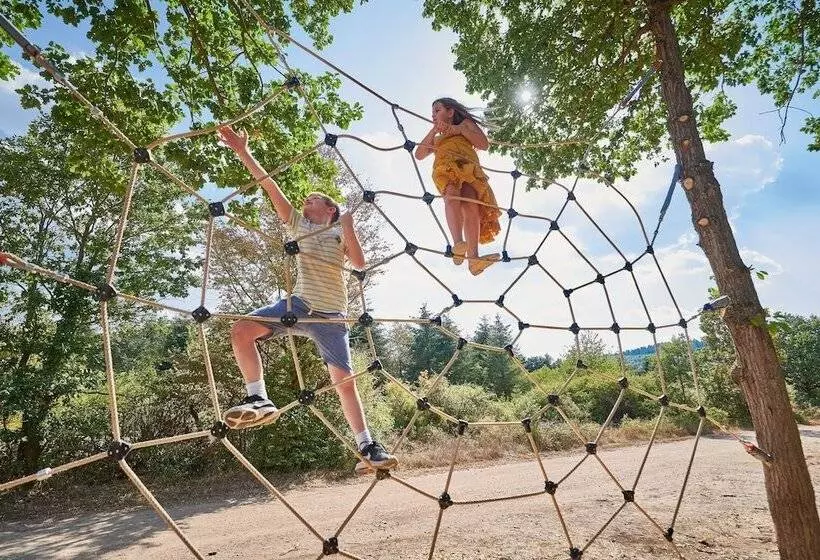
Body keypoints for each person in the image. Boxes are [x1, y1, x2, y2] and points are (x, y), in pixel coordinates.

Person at [216, 125, 397, 475]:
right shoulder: (298, 225)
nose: (306, 202)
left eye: (314, 198)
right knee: (241, 330)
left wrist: (349, 228)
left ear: (330, 209)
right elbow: (269, 184)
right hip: (298, 305)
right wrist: (242, 150)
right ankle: (258, 397)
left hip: (331, 315)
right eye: (305, 200)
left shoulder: (337, 231)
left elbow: (359, 263)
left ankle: (367, 447)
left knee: (344, 380)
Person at [414, 97, 502, 275]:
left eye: (437, 110)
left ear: (450, 111)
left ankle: (474, 259)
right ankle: (458, 243)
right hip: (446, 168)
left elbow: (483, 144)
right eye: (432, 113)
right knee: (452, 194)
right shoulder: (438, 135)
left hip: (468, 168)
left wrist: (458, 129)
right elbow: (420, 154)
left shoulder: (466, 124)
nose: (433, 115)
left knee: (472, 206)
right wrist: (433, 130)